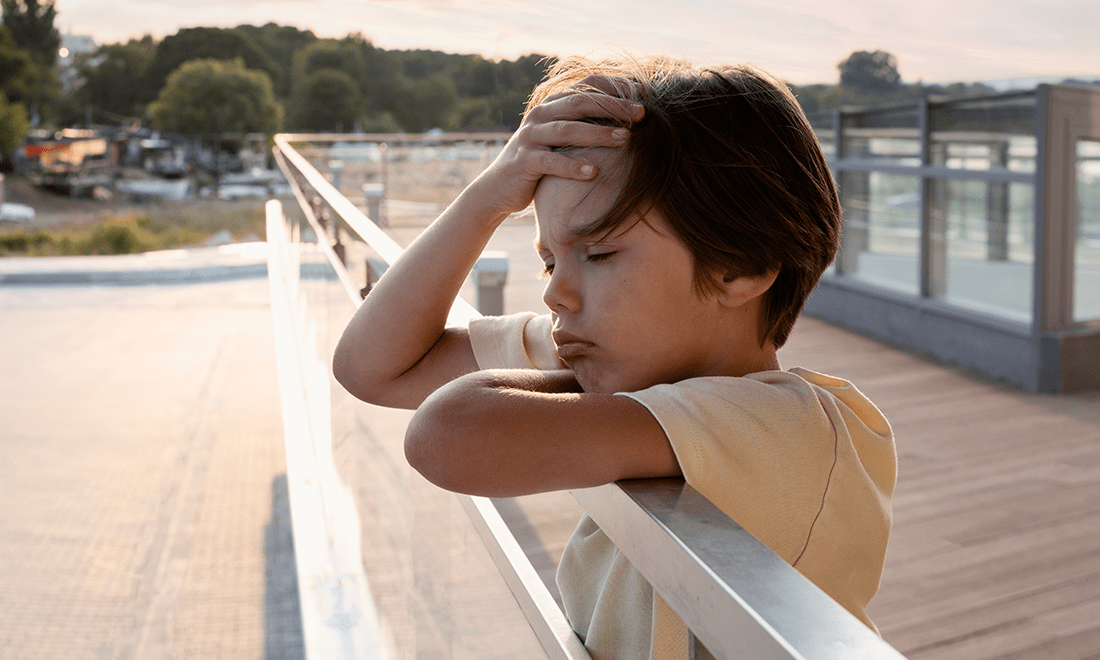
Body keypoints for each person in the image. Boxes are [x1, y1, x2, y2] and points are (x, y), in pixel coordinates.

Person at [333, 55, 896, 660]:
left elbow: (446, 433)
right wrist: (489, 194)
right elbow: (372, 367)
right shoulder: (615, 358)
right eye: (551, 260)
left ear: (743, 266)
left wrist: (573, 381)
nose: (555, 293)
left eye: (599, 254)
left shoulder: (797, 425)